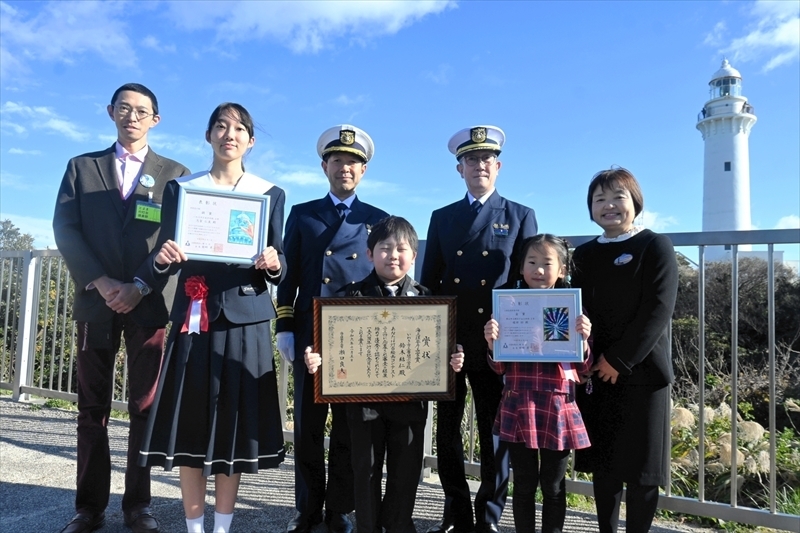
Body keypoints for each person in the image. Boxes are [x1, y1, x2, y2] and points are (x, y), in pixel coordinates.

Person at [137, 103, 286, 533]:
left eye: (240, 128)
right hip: (195, 317)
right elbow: (166, 250)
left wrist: (274, 262)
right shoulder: (183, 189)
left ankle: (222, 527)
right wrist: (164, 258)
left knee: (233, 428)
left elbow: (281, 262)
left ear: (251, 141)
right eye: (221, 126)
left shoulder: (269, 193)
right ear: (208, 136)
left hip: (247, 319)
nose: (230, 134)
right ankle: (193, 527)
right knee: (190, 422)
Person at [53, 83, 190, 533]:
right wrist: (104, 281)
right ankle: (88, 509)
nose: (132, 116)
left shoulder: (176, 174)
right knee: (91, 408)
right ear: (111, 112)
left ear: (156, 119)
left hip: (148, 304)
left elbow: (176, 239)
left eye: (142, 111)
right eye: (124, 108)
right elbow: (66, 229)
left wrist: (139, 284)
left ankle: (138, 507)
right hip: (96, 301)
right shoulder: (82, 167)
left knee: (144, 406)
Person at [303, 215, 460, 533]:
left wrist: (452, 360)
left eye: (402, 249)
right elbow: (333, 348)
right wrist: (316, 357)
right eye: (385, 247)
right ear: (370, 253)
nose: (393, 255)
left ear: (413, 257)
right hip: (364, 407)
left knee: (406, 473)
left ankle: (400, 526)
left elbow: (440, 352)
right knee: (366, 471)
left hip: (411, 405)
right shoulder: (349, 298)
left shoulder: (429, 300)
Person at [420, 126, 538, 533]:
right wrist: (438, 335)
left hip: (496, 342)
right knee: (447, 431)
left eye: (487, 159)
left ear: (498, 166)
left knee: (494, 431)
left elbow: (530, 283)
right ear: (460, 168)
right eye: (472, 160)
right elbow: (430, 282)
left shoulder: (520, 216)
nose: (480, 166)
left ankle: (488, 514)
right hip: (451, 338)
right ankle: (455, 512)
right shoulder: (442, 218)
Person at [275, 125, 389, 533]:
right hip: (311, 333)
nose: (345, 168)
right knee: (307, 427)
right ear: (324, 165)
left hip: (355, 336)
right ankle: (306, 511)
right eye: (338, 160)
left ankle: (339, 509)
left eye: (354, 162)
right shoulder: (303, 214)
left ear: (364, 171)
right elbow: (287, 277)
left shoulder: (378, 219)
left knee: (347, 427)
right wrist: (285, 325)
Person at [572, 168, 678, 533]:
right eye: (599, 199)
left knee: (643, 470)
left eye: (618, 197)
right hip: (596, 373)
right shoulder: (583, 255)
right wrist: (586, 361)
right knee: (605, 465)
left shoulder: (655, 245)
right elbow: (575, 313)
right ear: (590, 209)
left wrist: (619, 360)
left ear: (635, 202)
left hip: (643, 373)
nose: (609, 205)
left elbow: (658, 309)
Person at [479, 234, 593, 533]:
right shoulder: (509, 307)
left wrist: (583, 339)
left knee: (553, 485)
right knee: (525, 485)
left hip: (558, 403)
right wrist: (492, 343)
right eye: (531, 262)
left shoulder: (571, 310)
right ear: (520, 267)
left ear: (562, 270)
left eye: (547, 263)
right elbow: (499, 366)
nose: (538, 270)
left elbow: (583, 369)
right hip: (519, 401)